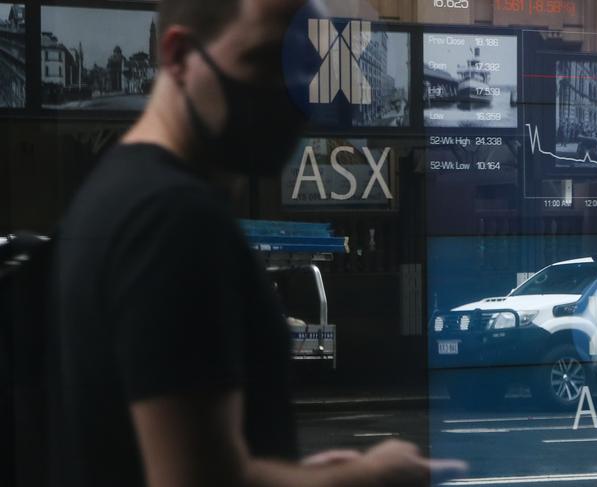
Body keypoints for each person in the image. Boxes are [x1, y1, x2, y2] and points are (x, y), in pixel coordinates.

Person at [50, 1, 467, 486]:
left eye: (303, 68)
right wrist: (369, 476)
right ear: (180, 56)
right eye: (266, 60)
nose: (289, 93)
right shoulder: (177, 219)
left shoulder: (116, 192)